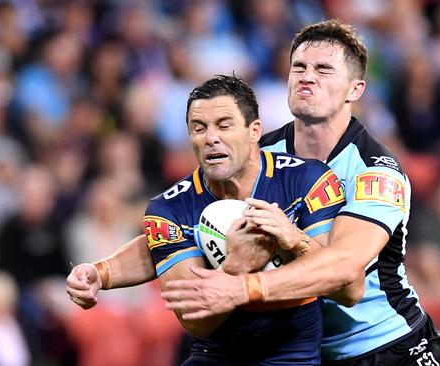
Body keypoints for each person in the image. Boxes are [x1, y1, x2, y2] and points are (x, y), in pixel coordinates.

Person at [67, 20, 440, 365]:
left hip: (386, 346)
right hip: (307, 349)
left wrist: (243, 285)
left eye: (323, 70)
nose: (307, 77)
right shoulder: (257, 153)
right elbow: (190, 224)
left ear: (355, 89)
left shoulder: (375, 171)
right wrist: (104, 272)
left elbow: (344, 269)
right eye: (299, 67)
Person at [68, 74, 346, 365]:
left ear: (254, 131)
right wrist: (236, 267)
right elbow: (194, 322)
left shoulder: (307, 181)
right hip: (215, 354)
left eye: (224, 125)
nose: (211, 137)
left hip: (290, 354)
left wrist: (295, 239)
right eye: (198, 128)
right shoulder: (170, 209)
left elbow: (344, 284)